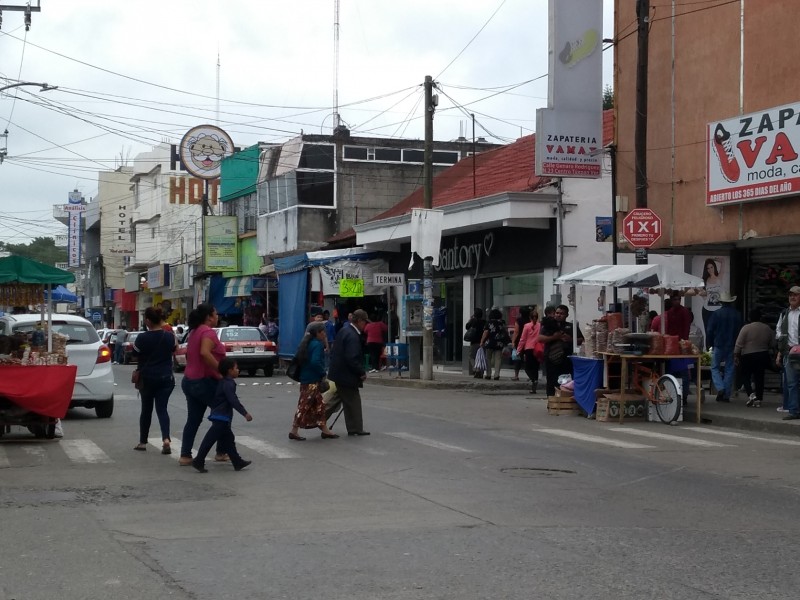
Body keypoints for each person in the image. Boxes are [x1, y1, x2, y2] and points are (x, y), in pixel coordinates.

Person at [178, 303, 228, 466]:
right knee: (222, 415)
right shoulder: (207, 332)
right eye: (216, 314)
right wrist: (220, 372)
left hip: (190, 380)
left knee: (193, 419)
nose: (218, 317)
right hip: (204, 381)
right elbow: (205, 353)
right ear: (209, 317)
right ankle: (221, 451)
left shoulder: (194, 331)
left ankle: (185, 455)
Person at [192, 358, 253, 473]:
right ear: (230, 371)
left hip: (220, 415)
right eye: (236, 368)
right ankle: (199, 460)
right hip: (221, 417)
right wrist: (245, 413)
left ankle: (237, 461)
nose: (238, 370)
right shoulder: (229, 384)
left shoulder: (224, 382)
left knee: (229, 439)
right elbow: (232, 400)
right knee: (209, 440)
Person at [132, 307, 177, 454]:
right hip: (166, 378)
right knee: (162, 409)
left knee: (146, 410)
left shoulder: (142, 338)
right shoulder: (169, 336)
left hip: (147, 378)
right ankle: (166, 439)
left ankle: (143, 442)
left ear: (148, 321)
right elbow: (174, 349)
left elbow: (134, 354)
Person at [288, 322, 340, 440]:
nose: (325, 335)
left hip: (307, 379)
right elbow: (315, 362)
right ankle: (294, 430)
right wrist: (323, 373)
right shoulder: (317, 345)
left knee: (319, 407)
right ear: (318, 333)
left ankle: (325, 430)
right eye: (323, 332)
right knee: (304, 405)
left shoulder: (307, 343)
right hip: (312, 381)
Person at [325, 308, 370, 436]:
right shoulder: (352, 335)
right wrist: (361, 372)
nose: (365, 325)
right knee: (353, 401)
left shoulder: (344, 331)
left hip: (339, 373)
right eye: (364, 322)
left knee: (337, 401)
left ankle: (319, 421)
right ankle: (356, 428)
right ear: (359, 321)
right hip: (346, 375)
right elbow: (352, 357)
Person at [539, 304, 584, 397]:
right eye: (557, 313)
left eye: (562, 313)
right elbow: (540, 338)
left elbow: (581, 339)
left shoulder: (571, 326)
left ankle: (565, 400)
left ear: (567, 315)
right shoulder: (549, 324)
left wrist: (570, 339)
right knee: (551, 381)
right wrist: (554, 337)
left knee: (567, 382)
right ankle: (551, 401)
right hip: (551, 359)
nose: (558, 315)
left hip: (566, 359)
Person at [706, 291, 743, 403]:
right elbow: (740, 331)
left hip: (719, 344)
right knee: (729, 369)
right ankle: (726, 394)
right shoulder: (737, 314)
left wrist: (709, 343)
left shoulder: (716, 314)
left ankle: (720, 388)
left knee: (715, 368)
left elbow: (710, 330)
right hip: (732, 345)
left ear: (721, 302)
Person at [734, 307, 775, 408]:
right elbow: (773, 343)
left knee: (744, 375)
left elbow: (739, 343)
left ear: (749, 318)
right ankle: (759, 399)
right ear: (760, 317)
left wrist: (736, 355)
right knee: (759, 377)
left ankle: (751, 395)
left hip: (747, 355)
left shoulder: (746, 328)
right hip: (762, 355)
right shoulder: (767, 328)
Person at [775, 286, 800, 420]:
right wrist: (781, 348)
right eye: (790, 295)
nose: (792, 297)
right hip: (789, 353)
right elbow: (778, 330)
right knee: (791, 383)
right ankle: (794, 410)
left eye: (795, 295)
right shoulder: (785, 313)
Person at [479, 308, 509, 381]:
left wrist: (482, 341)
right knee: (498, 359)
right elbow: (505, 332)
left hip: (489, 343)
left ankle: (488, 374)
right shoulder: (502, 323)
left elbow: (485, 332)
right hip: (499, 343)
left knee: (488, 359)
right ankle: (496, 375)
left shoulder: (489, 323)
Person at [517, 307, 541, 394]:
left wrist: (519, 350)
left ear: (530, 318)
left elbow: (523, 339)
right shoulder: (540, 325)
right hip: (538, 348)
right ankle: (534, 384)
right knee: (535, 367)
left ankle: (533, 379)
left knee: (527, 367)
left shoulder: (527, 326)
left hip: (529, 348)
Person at [511, 306, 531, 381]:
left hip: (520, 341)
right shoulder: (530, 320)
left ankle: (516, 375)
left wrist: (513, 341)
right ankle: (530, 376)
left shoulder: (519, 320)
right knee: (529, 359)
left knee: (517, 359)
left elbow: (516, 332)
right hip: (529, 341)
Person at [465, 308, 486, 378]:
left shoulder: (473, 321)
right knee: (481, 357)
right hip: (482, 342)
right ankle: (481, 372)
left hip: (474, 342)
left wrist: (470, 319)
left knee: (471, 356)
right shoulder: (484, 322)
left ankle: (475, 369)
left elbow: (467, 326)